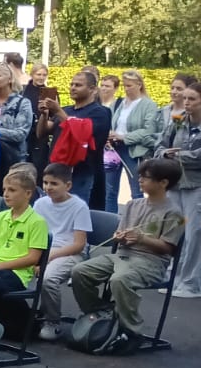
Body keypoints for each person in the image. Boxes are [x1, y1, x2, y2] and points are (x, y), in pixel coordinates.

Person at [70, 159, 187, 336]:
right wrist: (120, 237)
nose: (139, 180)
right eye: (140, 176)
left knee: (120, 280)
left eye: (145, 178)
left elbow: (167, 248)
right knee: (80, 271)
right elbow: (120, 234)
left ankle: (131, 329)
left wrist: (141, 239)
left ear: (163, 183)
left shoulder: (174, 213)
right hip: (122, 256)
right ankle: (101, 312)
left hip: (150, 262)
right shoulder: (133, 204)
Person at [0, 169, 49, 331]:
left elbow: (32, 258)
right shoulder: (1, 217)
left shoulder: (37, 222)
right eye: (4, 190)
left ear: (28, 193)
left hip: (16, 273)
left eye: (12, 190)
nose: (6, 194)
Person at [31, 163, 93, 340]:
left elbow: (79, 244)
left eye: (54, 183)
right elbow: (34, 234)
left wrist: (48, 257)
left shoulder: (79, 206)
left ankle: (52, 321)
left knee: (48, 278)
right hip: (43, 250)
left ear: (68, 185)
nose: (48, 187)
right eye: (45, 183)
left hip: (69, 253)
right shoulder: (41, 203)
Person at [36, 69, 112, 207]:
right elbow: (42, 132)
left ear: (93, 89)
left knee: (79, 213)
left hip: (84, 172)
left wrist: (58, 111)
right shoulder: (67, 110)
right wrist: (44, 114)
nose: (72, 88)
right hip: (58, 171)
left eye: (78, 85)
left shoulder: (100, 112)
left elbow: (84, 133)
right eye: (71, 84)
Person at [156, 78, 201, 298]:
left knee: (194, 234)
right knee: (174, 230)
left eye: (192, 99)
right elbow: (161, 143)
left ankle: (190, 283)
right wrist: (165, 153)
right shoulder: (177, 118)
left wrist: (180, 155)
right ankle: (171, 276)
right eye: (185, 98)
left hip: (197, 186)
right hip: (175, 183)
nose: (187, 102)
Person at [105, 70, 162, 212]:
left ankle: (137, 224)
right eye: (124, 85)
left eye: (129, 85)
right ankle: (111, 222)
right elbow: (109, 121)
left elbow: (149, 130)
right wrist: (108, 135)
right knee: (110, 191)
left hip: (133, 150)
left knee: (137, 190)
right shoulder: (118, 103)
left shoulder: (148, 105)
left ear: (139, 85)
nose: (126, 89)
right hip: (113, 149)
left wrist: (124, 137)